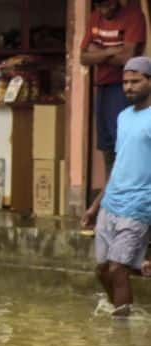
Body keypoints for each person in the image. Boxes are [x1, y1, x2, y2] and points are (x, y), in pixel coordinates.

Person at [81, 56, 151, 317]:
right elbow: (118, 165)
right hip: (111, 204)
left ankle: (121, 335)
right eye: (125, 82)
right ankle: (121, 313)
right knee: (101, 269)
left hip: (139, 206)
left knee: (117, 268)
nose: (128, 87)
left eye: (136, 81)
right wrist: (94, 206)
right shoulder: (123, 117)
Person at [79, 0, 147, 178]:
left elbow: (127, 58)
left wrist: (98, 52)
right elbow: (83, 57)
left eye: (108, 5)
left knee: (123, 144)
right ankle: (111, 192)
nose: (104, 10)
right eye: (100, 6)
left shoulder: (133, 15)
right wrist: (110, 51)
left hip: (124, 85)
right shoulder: (95, 17)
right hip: (102, 85)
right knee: (106, 144)